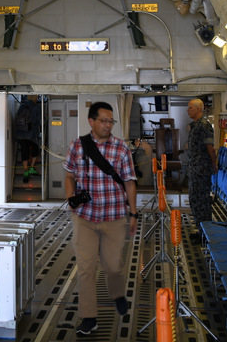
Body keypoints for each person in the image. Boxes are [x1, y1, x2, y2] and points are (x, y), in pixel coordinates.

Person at [64, 102, 138, 336]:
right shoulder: (77, 146)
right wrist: (71, 198)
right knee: (86, 268)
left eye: (110, 121)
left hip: (114, 217)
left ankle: (117, 293)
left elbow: (129, 182)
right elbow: (69, 175)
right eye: (103, 121)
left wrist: (133, 213)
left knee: (113, 267)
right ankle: (89, 317)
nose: (108, 125)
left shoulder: (121, 149)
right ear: (91, 121)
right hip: (85, 218)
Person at [185, 98, 218, 238]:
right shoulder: (195, 126)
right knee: (195, 201)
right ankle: (200, 231)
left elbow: (210, 147)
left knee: (202, 202)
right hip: (195, 169)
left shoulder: (204, 126)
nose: (188, 110)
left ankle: (206, 234)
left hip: (201, 170)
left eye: (190, 108)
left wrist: (214, 164)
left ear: (198, 109)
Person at [14, 96, 42, 183]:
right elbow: (39, 120)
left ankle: (25, 171)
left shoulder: (22, 105)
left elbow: (18, 117)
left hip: (21, 133)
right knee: (35, 149)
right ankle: (32, 168)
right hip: (31, 133)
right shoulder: (37, 107)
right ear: (35, 98)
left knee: (24, 151)